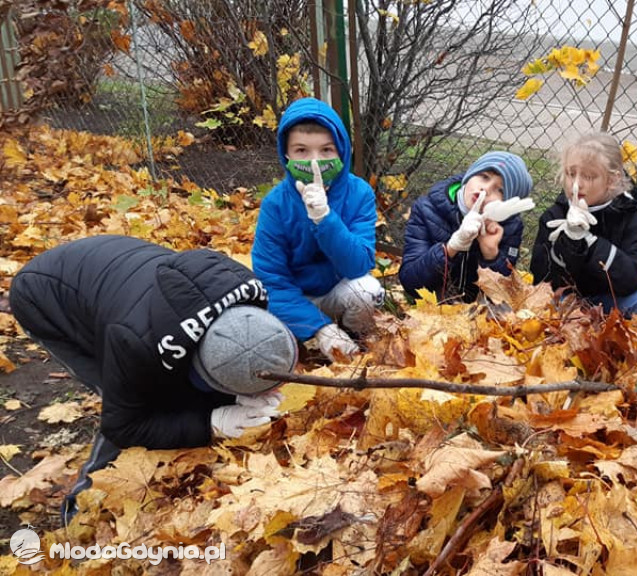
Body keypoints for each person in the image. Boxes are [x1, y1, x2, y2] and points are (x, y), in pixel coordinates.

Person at [9, 235, 299, 523]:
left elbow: (248, 348)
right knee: (132, 399)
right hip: (44, 296)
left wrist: (249, 391)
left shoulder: (248, 294)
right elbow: (123, 425)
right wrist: (210, 423)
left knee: (172, 394)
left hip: (109, 269)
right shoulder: (135, 342)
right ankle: (82, 506)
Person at [252, 97, 384, 361]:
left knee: (368, 290)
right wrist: (320, 329)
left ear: (342, 152)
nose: (315, 162)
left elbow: (358, 265)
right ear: (286, 154)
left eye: (326, 150)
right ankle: (317, 339)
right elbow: (272, 280)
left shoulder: (359, 193)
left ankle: (357, 342)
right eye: (302, 151)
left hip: (339, 290)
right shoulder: (275, 205)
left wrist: (324, 218)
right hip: (296, 299)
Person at [530, 131, 637, 319]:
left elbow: (631, 278)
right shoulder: (554, 215)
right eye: (571, 174)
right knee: (541, 306)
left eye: (589, 176)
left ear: (612, 180)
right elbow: (541, 277)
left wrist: (591, 243)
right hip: (565, 301)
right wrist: (568, 243)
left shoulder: (626, 216)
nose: (577, 184)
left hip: (609, 300)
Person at [399, 151, 535, 302]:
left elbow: (503, 297)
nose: (486, 188)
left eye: (500, 190)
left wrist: (491, 254)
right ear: (470, 175)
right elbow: (410, 282)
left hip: (478, 316)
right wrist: (450, 248)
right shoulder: (428, 209)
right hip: (431, 310)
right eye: (484, 177)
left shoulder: (509, 227)